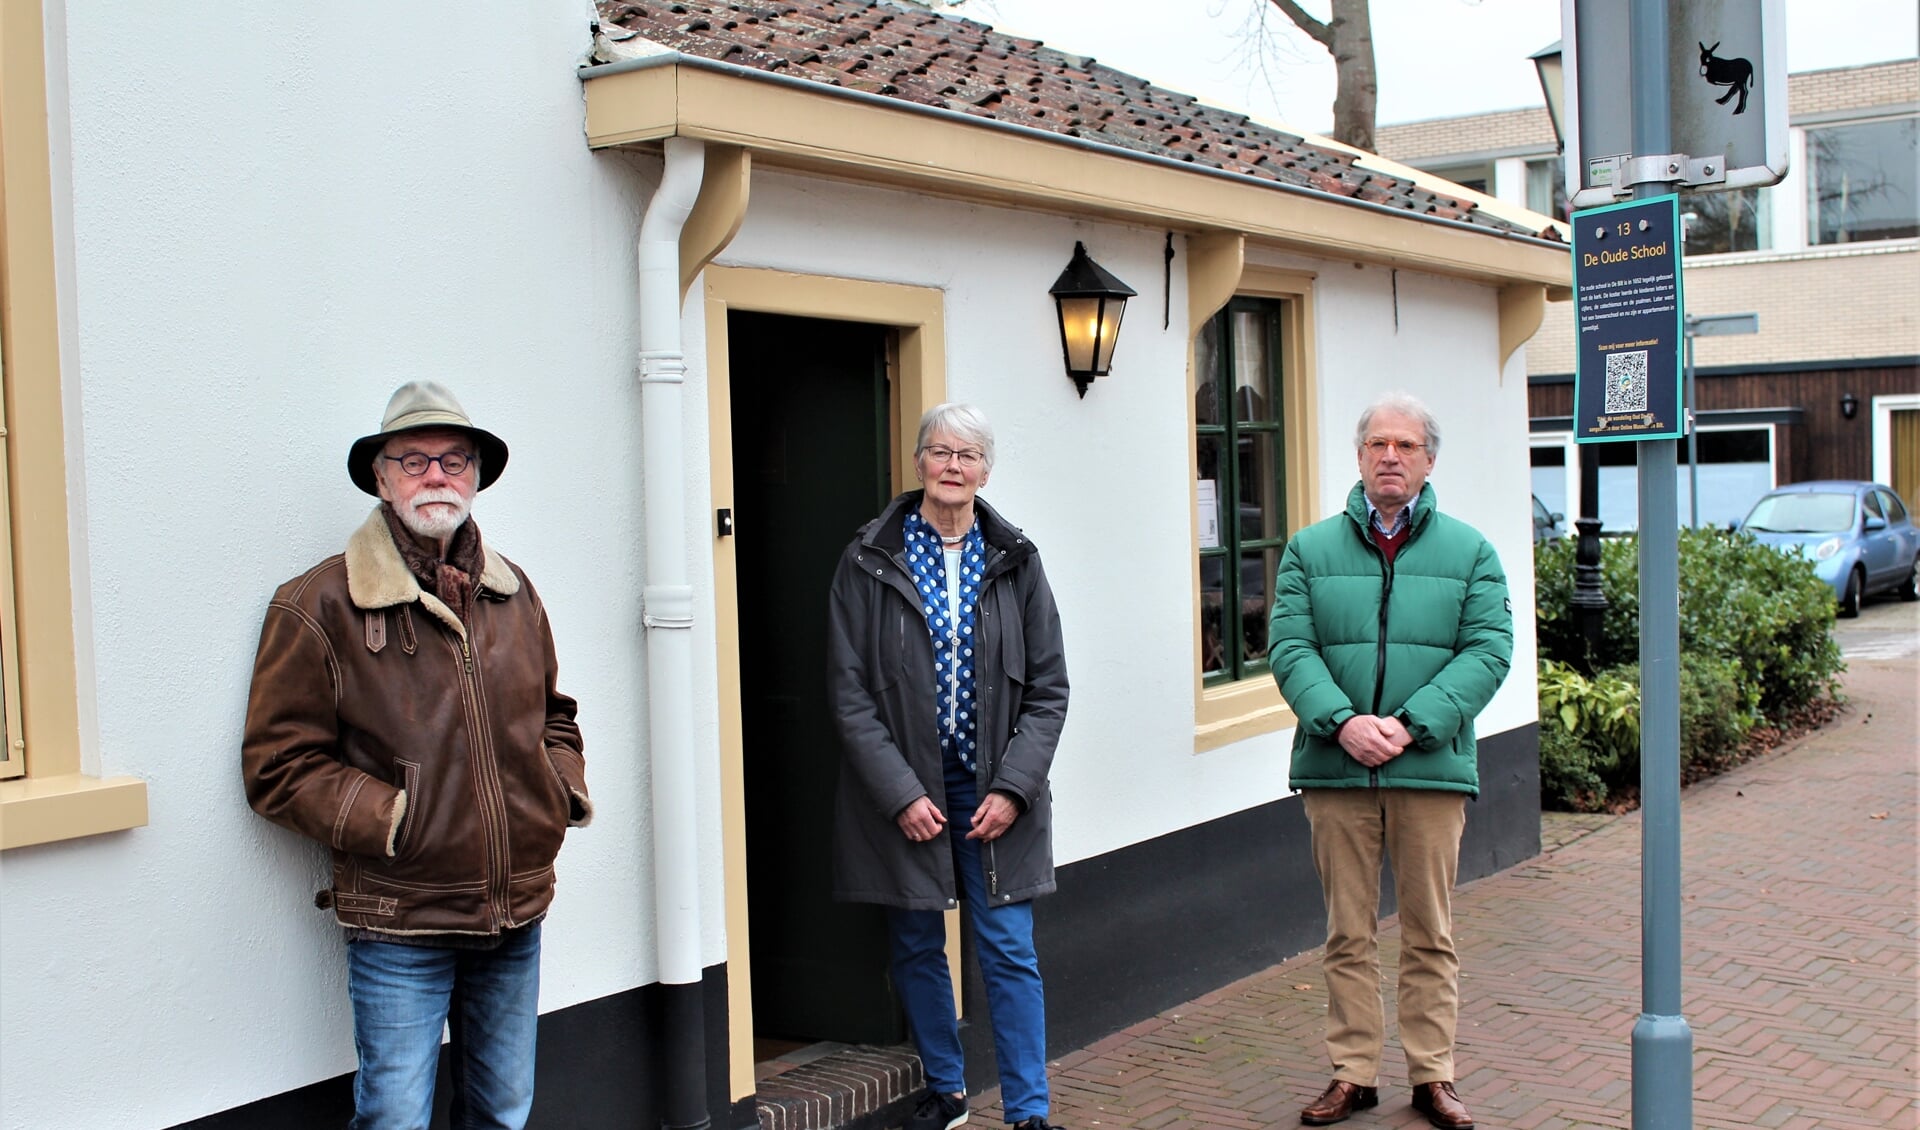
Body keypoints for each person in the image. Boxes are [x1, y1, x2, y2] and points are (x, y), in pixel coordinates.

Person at [243, 381, 591, 1130]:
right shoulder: (319, 604)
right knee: (396, 1119)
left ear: (475, 477)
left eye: (454, 460)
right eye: (415, 460)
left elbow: (554, 716)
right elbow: (277, 766)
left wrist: (557, 790)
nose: (437, 475)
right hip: (401, 919)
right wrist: (395, 818)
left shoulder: (513, 593)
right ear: (381, 476)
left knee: (501, 1113)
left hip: (513, 912)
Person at [1267, 393, 1512, 1130]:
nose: (1390, 456)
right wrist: (1341, 724)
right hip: (1337, 772)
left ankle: (1433, 1075)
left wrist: (1410, 725)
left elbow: (1489, 651)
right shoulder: (1310, 551)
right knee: (1347, 931)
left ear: (1429, 460)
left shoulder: (1470, 552)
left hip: (1428, 771)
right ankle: (1354, 1073)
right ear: (1359, 457)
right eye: (1378, 444)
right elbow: (1289, 648)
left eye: (1406, 445)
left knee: (1430, 931)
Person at [826, 403, 1070, 1130]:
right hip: (907, 790)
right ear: (919, 462)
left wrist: (1015, 788)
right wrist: (900, 792)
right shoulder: (869, 558)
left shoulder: (1017, 561)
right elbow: (848, 692)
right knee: (916, 943)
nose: (953, 466)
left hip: (994, 790)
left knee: (1008, 952)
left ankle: (1029, 1112)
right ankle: (948, 1091)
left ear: (985, 470)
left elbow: (1050, 689)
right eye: (940, 452)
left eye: (968, 455)